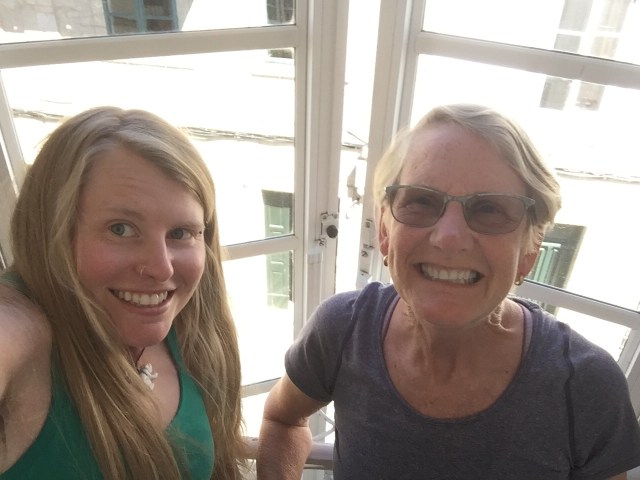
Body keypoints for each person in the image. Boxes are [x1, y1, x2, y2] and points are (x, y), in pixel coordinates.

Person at [257, 104, 640, 479]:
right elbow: (282, 420)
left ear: (530, 251)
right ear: (385, 231)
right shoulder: (343, 330)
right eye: (421, 201)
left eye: (489, 209)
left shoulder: (586, 386)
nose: (450, 237)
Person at [0, 107, 247, 479]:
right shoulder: (22, 329)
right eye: (120, 229)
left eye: (181, 233)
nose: (162, 269)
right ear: (52, 232)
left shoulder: (195, 329)